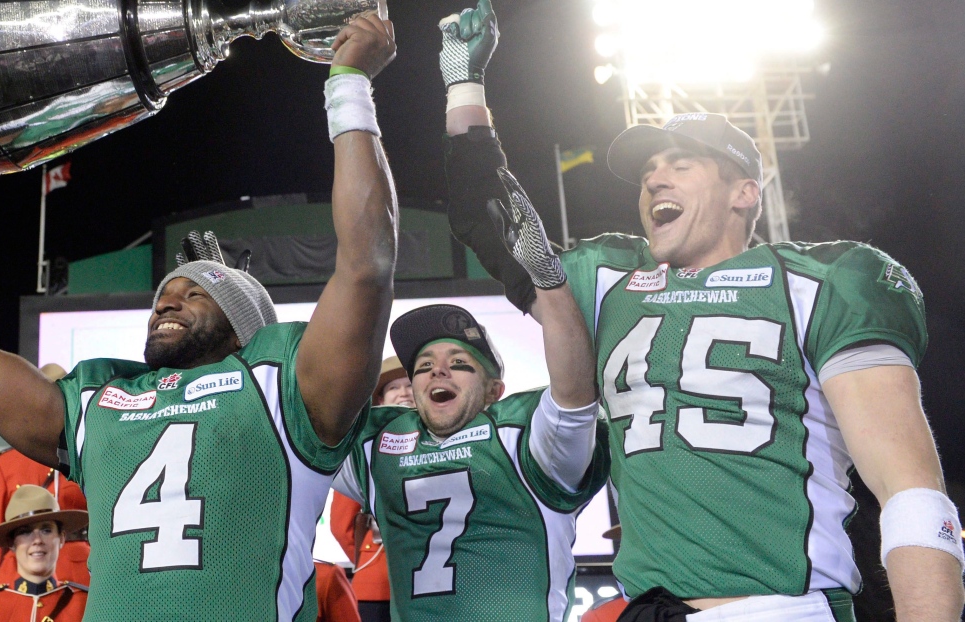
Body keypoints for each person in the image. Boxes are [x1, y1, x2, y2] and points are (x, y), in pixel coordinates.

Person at [439, 1, 965, 620]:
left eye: (680, 165)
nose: (654, 181)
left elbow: (908, 486)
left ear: (745, 193)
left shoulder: (822, 282)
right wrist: (461, 79)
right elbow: (487, 216)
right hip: (649, 607)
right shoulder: (610, 279)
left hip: (781, 608)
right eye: (647, 173)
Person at [0, 14, 399, 621]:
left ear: (243, 325)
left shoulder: (287, 388)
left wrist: (350, 85)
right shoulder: (100, 399)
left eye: (194, 294)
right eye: (162, 296)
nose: (166, 302)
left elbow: (366, 266)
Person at [333, 220, 610, 620]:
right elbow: (296, 422)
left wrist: (550, 283)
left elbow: (575, 391)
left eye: (459, 364)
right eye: (424, 365)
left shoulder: (522, 437)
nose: (437, 371)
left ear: (495, 391)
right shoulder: (382, 444)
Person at [0, 364, 90, 588]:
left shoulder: (88, 456)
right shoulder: (6, 463)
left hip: (80, 569)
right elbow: (0, 538)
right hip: (22, 574)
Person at [330, 356, 406, 622]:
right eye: (394, 387)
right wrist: (368, 554)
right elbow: (342, 524)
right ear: (381, 401)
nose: (404, 392)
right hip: (377, 583)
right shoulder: (364, 451)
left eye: (409, 385)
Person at [0, 485, 89, 622]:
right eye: (25, 532)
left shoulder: (85, 603)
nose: (37, 540)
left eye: (46, 530)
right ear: (11, 542)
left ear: (61, 538)